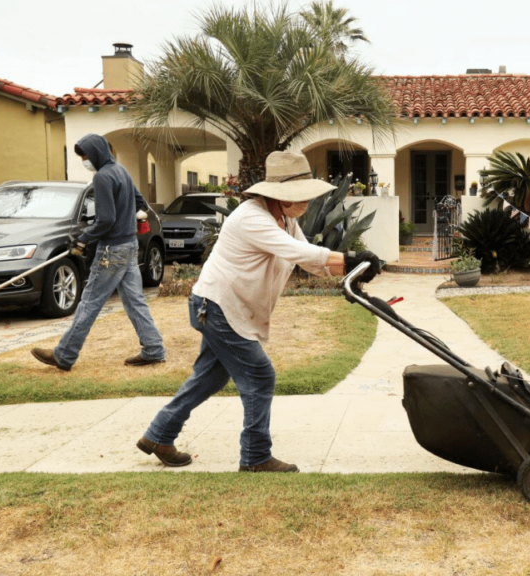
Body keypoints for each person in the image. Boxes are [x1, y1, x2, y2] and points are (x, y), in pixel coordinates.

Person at [136, 151, 380, 472]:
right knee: (260, 375)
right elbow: (297, 251)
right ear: (278, 195)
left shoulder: (286, 220)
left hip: (223, 306)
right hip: (219, 306)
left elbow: (308, 261)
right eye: (300, 194)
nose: (306, 201)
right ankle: (255, 457)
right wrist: (349, 258)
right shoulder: (252, 217)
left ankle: (158, 435)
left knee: (209, 378)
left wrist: (352, 272)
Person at [31, 133, 166, 371]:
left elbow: (105, 220)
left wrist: (83, 239)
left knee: (90, 302)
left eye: (84, 154)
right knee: (135, 301)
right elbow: (141, 202)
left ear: (96, 152)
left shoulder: (103, 177)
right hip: (129, 246)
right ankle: (154, 349)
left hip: (112, 250)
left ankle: (64, 354)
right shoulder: (121, 170)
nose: (84, 159)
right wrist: (130, 218)